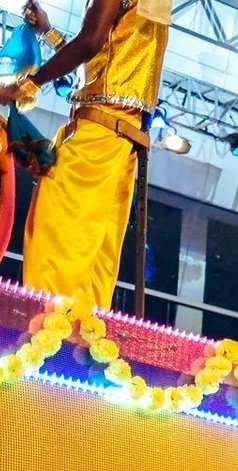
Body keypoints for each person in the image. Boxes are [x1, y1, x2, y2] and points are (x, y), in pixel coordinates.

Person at [5, 0, 170, 312]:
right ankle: (74, 351)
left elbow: (90, 43)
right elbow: (103, 54)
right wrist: (47, 33)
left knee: (55, 252)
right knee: (92, 267)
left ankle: (47, 346)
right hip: (119, 143)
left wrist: (24, 85)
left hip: (95, 141)